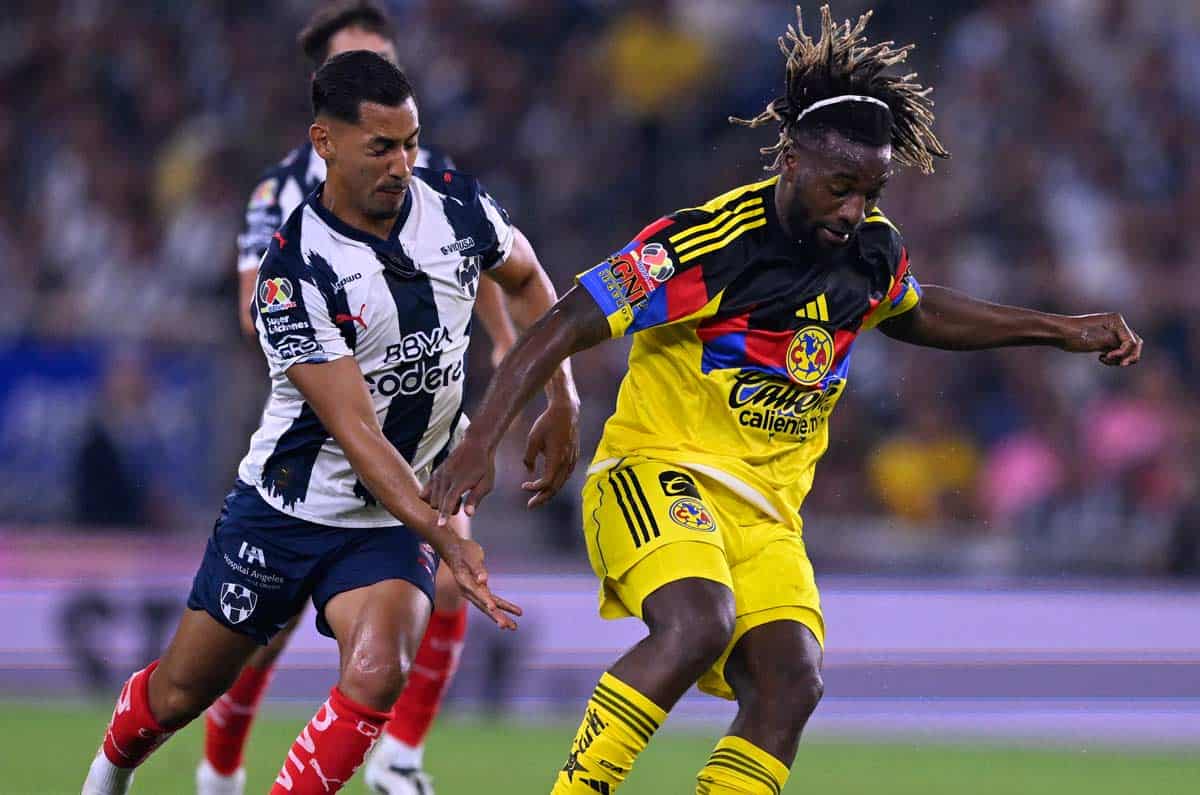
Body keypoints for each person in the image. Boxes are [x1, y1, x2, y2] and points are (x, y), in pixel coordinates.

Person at [424, 6, 1143, 794]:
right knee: (698, 623)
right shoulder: (708, 242)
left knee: (791, 682)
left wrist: (1059, 329)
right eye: (841, 187)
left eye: (871, 191)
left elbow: (917, 310)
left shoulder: (871, 251)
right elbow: (566, 319)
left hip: (767, 513)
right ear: (792, 161)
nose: (854, 210)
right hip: (656, 474)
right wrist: (481, 440)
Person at [82, 50, 578, 795]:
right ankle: (107, 772)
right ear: (326, 142)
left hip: (389, 519)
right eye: (381, 147)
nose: (401, 165)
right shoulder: (295, 270)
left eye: (410, 143)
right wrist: (447, 536)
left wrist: (561, 395)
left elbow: (531, 278)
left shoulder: (457, 207)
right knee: (182, 692)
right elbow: (358, 434)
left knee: (379, 670)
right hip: (286, 510)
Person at [217, 4, 517, 794]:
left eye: (386, 57)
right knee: (265, 625)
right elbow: (255, 310)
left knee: (445, 580)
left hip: (421, 426)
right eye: (359, 59)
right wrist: (340, 341)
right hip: (319, 432)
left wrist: (505, 338)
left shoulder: (428, 173)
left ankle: (398, 757)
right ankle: (220, 767)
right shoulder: (279, 194)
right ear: (324, 95)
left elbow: (482, 260)